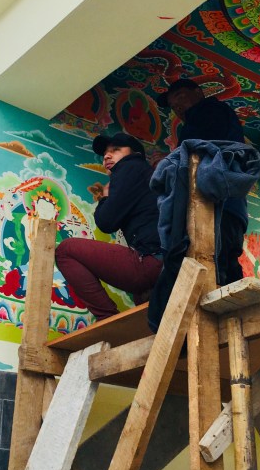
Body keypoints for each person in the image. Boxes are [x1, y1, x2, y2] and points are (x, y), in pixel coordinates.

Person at [55, 132, 162, 321]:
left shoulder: (130, 166)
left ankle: (107, 318)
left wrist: (105, 197)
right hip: (165, 262)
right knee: (145, 308)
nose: (107, 156)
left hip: (151, 260)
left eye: (116, 150)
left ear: (134, 153)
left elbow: (106, 222)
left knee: (65, 250)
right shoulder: (144, 174)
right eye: (105, 153)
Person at [157, 77, 248, 285]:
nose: (178, 106)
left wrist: (168, 162)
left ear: (198, 92)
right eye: (173, 106)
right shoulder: (214, 116)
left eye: (180, 97)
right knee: (227, 266)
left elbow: (193, 150)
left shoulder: (207, 111)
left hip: (216, 206)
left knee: (215, 266)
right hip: (233, 207)